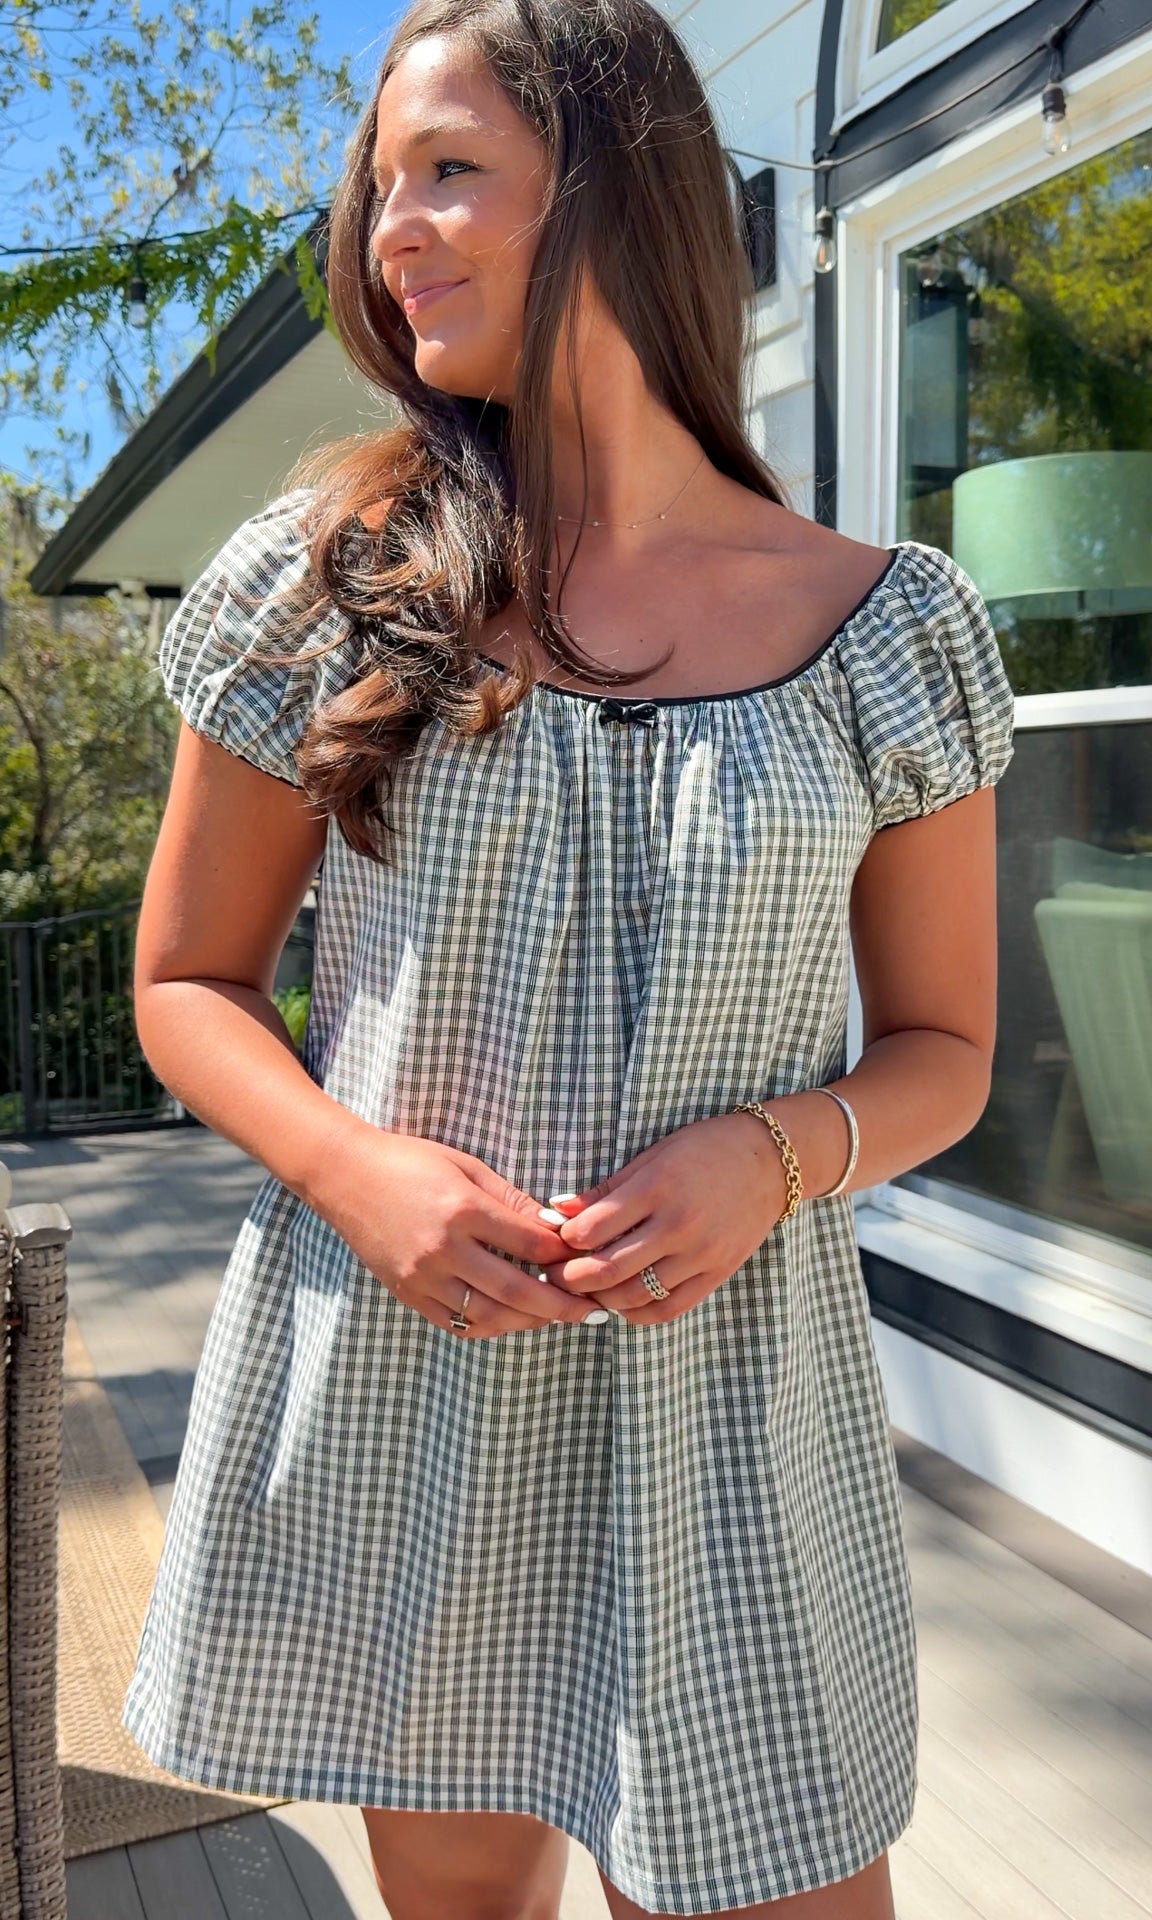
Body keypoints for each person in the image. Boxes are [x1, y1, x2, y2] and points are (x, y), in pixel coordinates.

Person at [121, 0, 1016, 1915]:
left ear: (618, 190)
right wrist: (357, 1173)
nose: (393, 231)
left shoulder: (889, 632)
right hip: (412, 1382)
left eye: (450, 169)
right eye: (383, 186)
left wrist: (770, 1153)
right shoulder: (329, 581)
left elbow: (944, 1048)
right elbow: (184, 982)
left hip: (735, 1419)